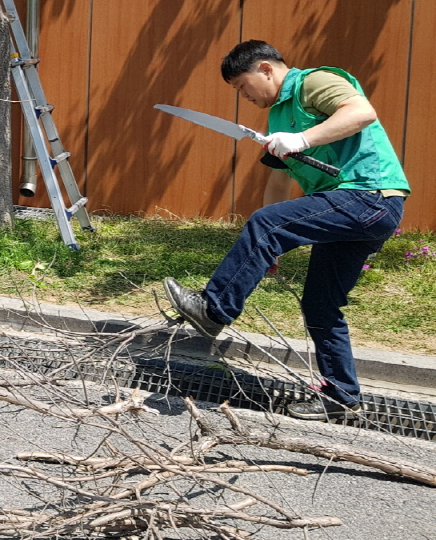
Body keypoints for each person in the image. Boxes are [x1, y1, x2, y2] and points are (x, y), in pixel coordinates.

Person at [164, 40, 409, 421]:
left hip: (370, 196)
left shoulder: (313, 83)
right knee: (320, 305)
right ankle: (341, 396)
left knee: (266, 224)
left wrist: (303, 139)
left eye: (242, 86)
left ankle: (213, 310)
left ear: (265, 69)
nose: (243, 96)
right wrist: (268, 247)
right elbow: (278, 188)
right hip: (351, 208)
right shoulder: (278, 121)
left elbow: (362, 112)